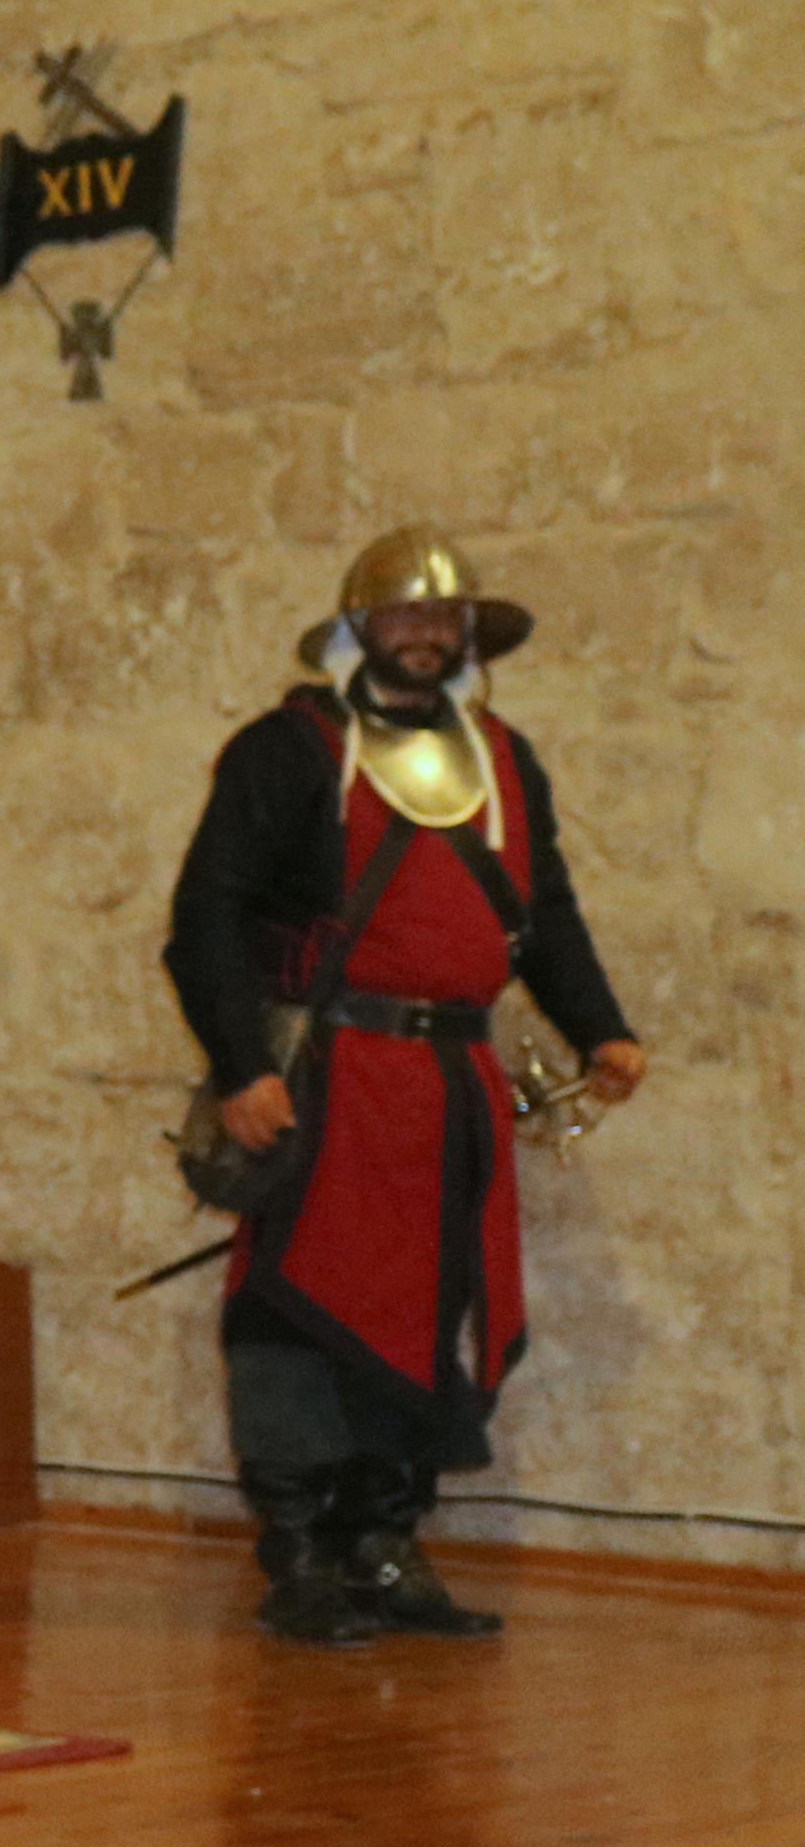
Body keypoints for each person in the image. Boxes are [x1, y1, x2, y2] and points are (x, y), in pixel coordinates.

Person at [165, 530, 643, 1648]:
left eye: (445, 621)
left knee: (431, 1316)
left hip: (451, 1087)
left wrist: (600, 1028)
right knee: (293, 1310)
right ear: (358, 627)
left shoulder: (506, 764)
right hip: (326, 1081)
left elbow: (544, 916)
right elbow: (205, 923)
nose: (425, 636)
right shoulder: (282, 753)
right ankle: (298, 1555)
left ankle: (383, 1543)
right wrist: (240, 1068)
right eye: (402, 617)